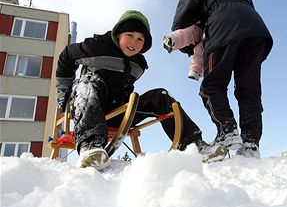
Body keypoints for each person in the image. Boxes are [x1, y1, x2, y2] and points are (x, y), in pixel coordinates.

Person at [55, 10, 226, 169]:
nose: (134, 43)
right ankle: (91, 145)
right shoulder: (95, 47)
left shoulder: (139, 64)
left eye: (140, 39)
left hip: (120, 113)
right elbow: (66, 56)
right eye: (129, 35)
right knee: (89, 81)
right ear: (118, 34)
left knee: (161, 96)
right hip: (89, 108)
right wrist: (63, 89)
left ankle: (194, 145)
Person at [171, 0, 273, 158]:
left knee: (210, 87)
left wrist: (190, 48)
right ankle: (251, 143)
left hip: (223, 27)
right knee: (248, 90)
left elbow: (180, 22)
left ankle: (228, 130)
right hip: (257, 31)